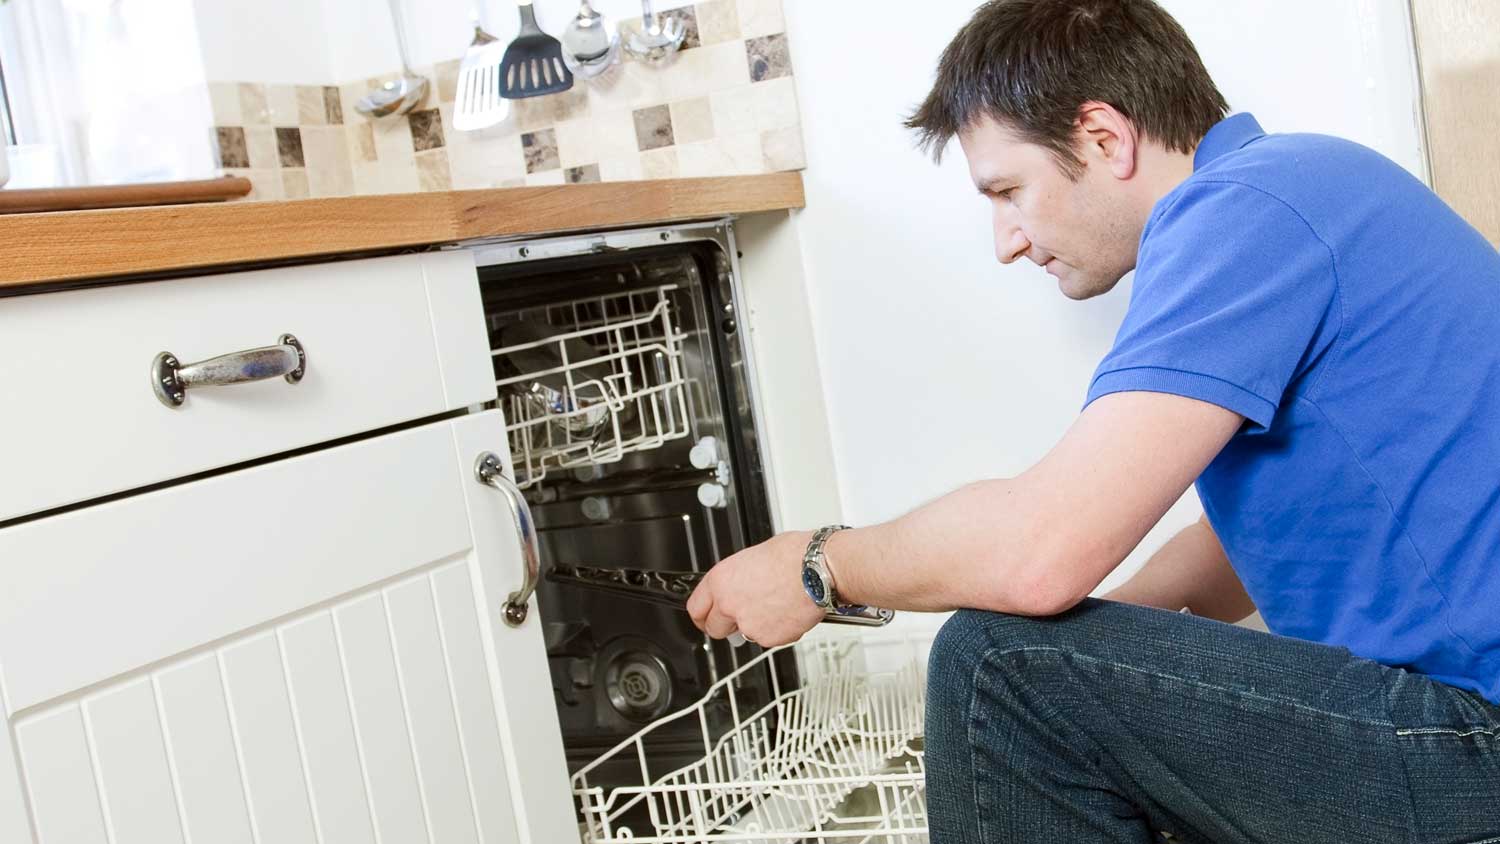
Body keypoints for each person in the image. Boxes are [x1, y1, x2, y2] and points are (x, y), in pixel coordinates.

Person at [686, 0, 1500, 840]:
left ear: (1105, 138)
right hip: (1469, 726)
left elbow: (1042, 554)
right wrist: (1102, 643)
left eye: (1008, 190)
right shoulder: (1299, 188)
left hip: (1481, 743)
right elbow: (1272, 537)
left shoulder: (1241, 214)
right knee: (1038, 662)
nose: (1006, 240)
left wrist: (817, 567)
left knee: (995, 666)